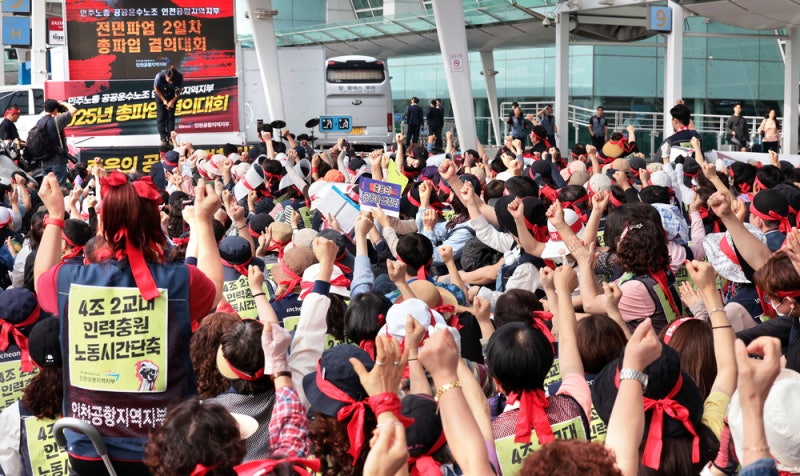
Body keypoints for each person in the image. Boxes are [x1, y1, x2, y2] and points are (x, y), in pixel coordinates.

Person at [34, 171, 223, 474]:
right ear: (154, 223)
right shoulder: (179, 281)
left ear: (103, 225)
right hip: (167, 452)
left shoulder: (69, 281)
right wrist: (203, 221)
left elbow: (41, 280)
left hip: (89, 450)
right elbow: (214, 289)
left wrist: (55, 216)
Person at [38, 99, 77, 186]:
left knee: (47, 188)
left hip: (44, 162)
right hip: (57, 161)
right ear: (55, 109)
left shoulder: (39, 122)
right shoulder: (56, 121)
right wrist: (63, 103)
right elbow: (73, 110)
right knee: (59, 188)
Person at [154, 66, 184, 146]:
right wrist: (164, 100)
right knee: (161, 117)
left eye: (172, 81)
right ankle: (163, 137)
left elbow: (180, 90)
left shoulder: (180, 77)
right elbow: (156, 89)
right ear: (166, 76)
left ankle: (171, 138)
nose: (170, 82)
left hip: (172, 96)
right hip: (161, 96)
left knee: (170, 117)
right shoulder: (159, 76)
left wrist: (172, 101)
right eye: (169, 80)